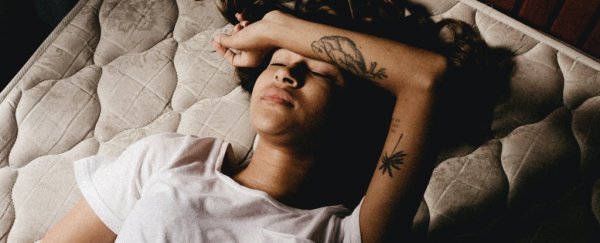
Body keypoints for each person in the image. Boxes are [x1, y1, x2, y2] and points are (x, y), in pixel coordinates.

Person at [42, 0, 512, 242]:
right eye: (276, 62)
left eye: (320, 71)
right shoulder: (172, 159)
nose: (287, 71)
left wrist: (276, 27)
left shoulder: (347, 235)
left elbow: (426, 79)